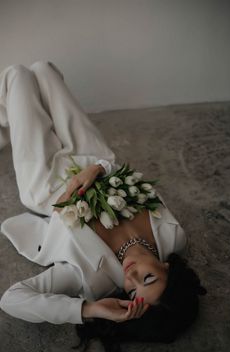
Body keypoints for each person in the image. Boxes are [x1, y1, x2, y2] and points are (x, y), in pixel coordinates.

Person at [0, 61, 206, 351]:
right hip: (95, 158)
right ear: (167, 267)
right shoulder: (173, 235)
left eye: (132, 289)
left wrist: (89, 309)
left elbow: (12, 299)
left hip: (45, 182)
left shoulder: (91, 279)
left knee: (17, 76)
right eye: (148, 277)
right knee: (44, 69)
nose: (131, 276)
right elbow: (135, 181)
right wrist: (97, 168)